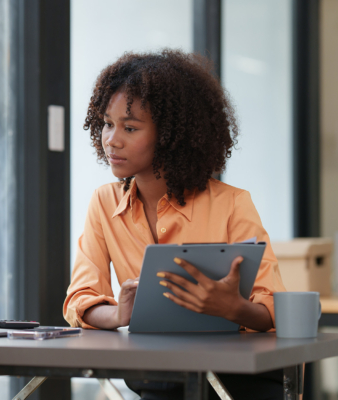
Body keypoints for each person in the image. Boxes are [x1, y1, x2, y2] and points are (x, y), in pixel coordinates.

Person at [63, 49, 287, 399]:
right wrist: (119, 313)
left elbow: (273, 307)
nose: (112, 139)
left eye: (130, 127)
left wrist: (235, 308)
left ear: (170, 134)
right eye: (107, 123)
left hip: (240, 377)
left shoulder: (231, 203)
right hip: (161, 375)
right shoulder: (104, 203)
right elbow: (80, 299)